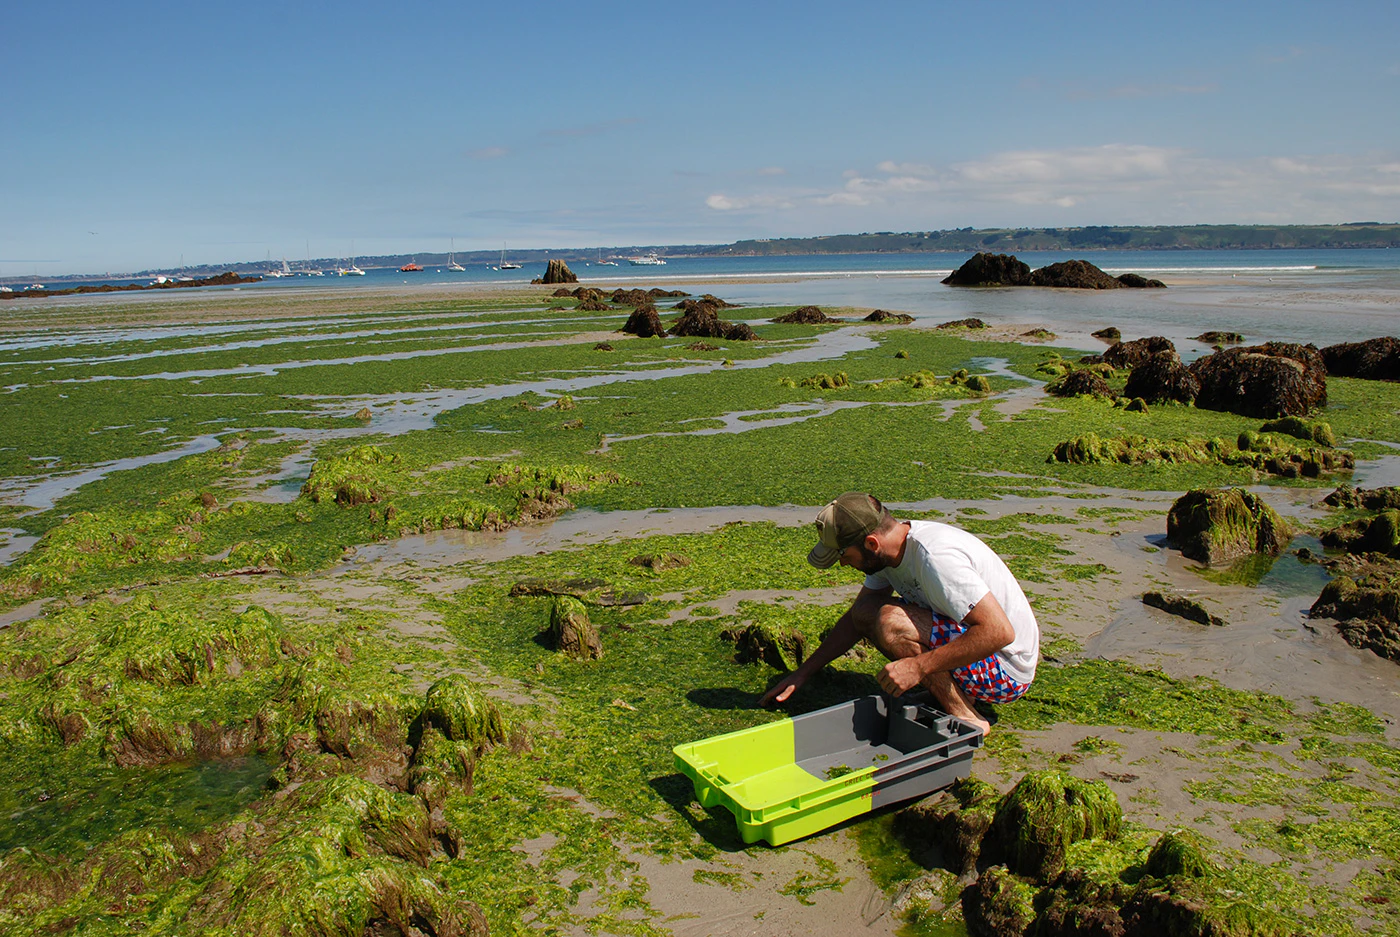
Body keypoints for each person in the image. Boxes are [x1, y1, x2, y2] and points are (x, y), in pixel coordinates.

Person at [760, 492, 1039, 734]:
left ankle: (966, 715)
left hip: (1006, 671)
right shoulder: (890, 554)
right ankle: (954, 693)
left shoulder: (936, 559)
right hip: (977, 651)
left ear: (871, 543)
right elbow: (858, 617)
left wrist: (918, 667)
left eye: (843, 555)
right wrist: (804, 672)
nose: (843, 564)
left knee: (889, 621)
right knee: (869, 611)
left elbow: (999, 632)